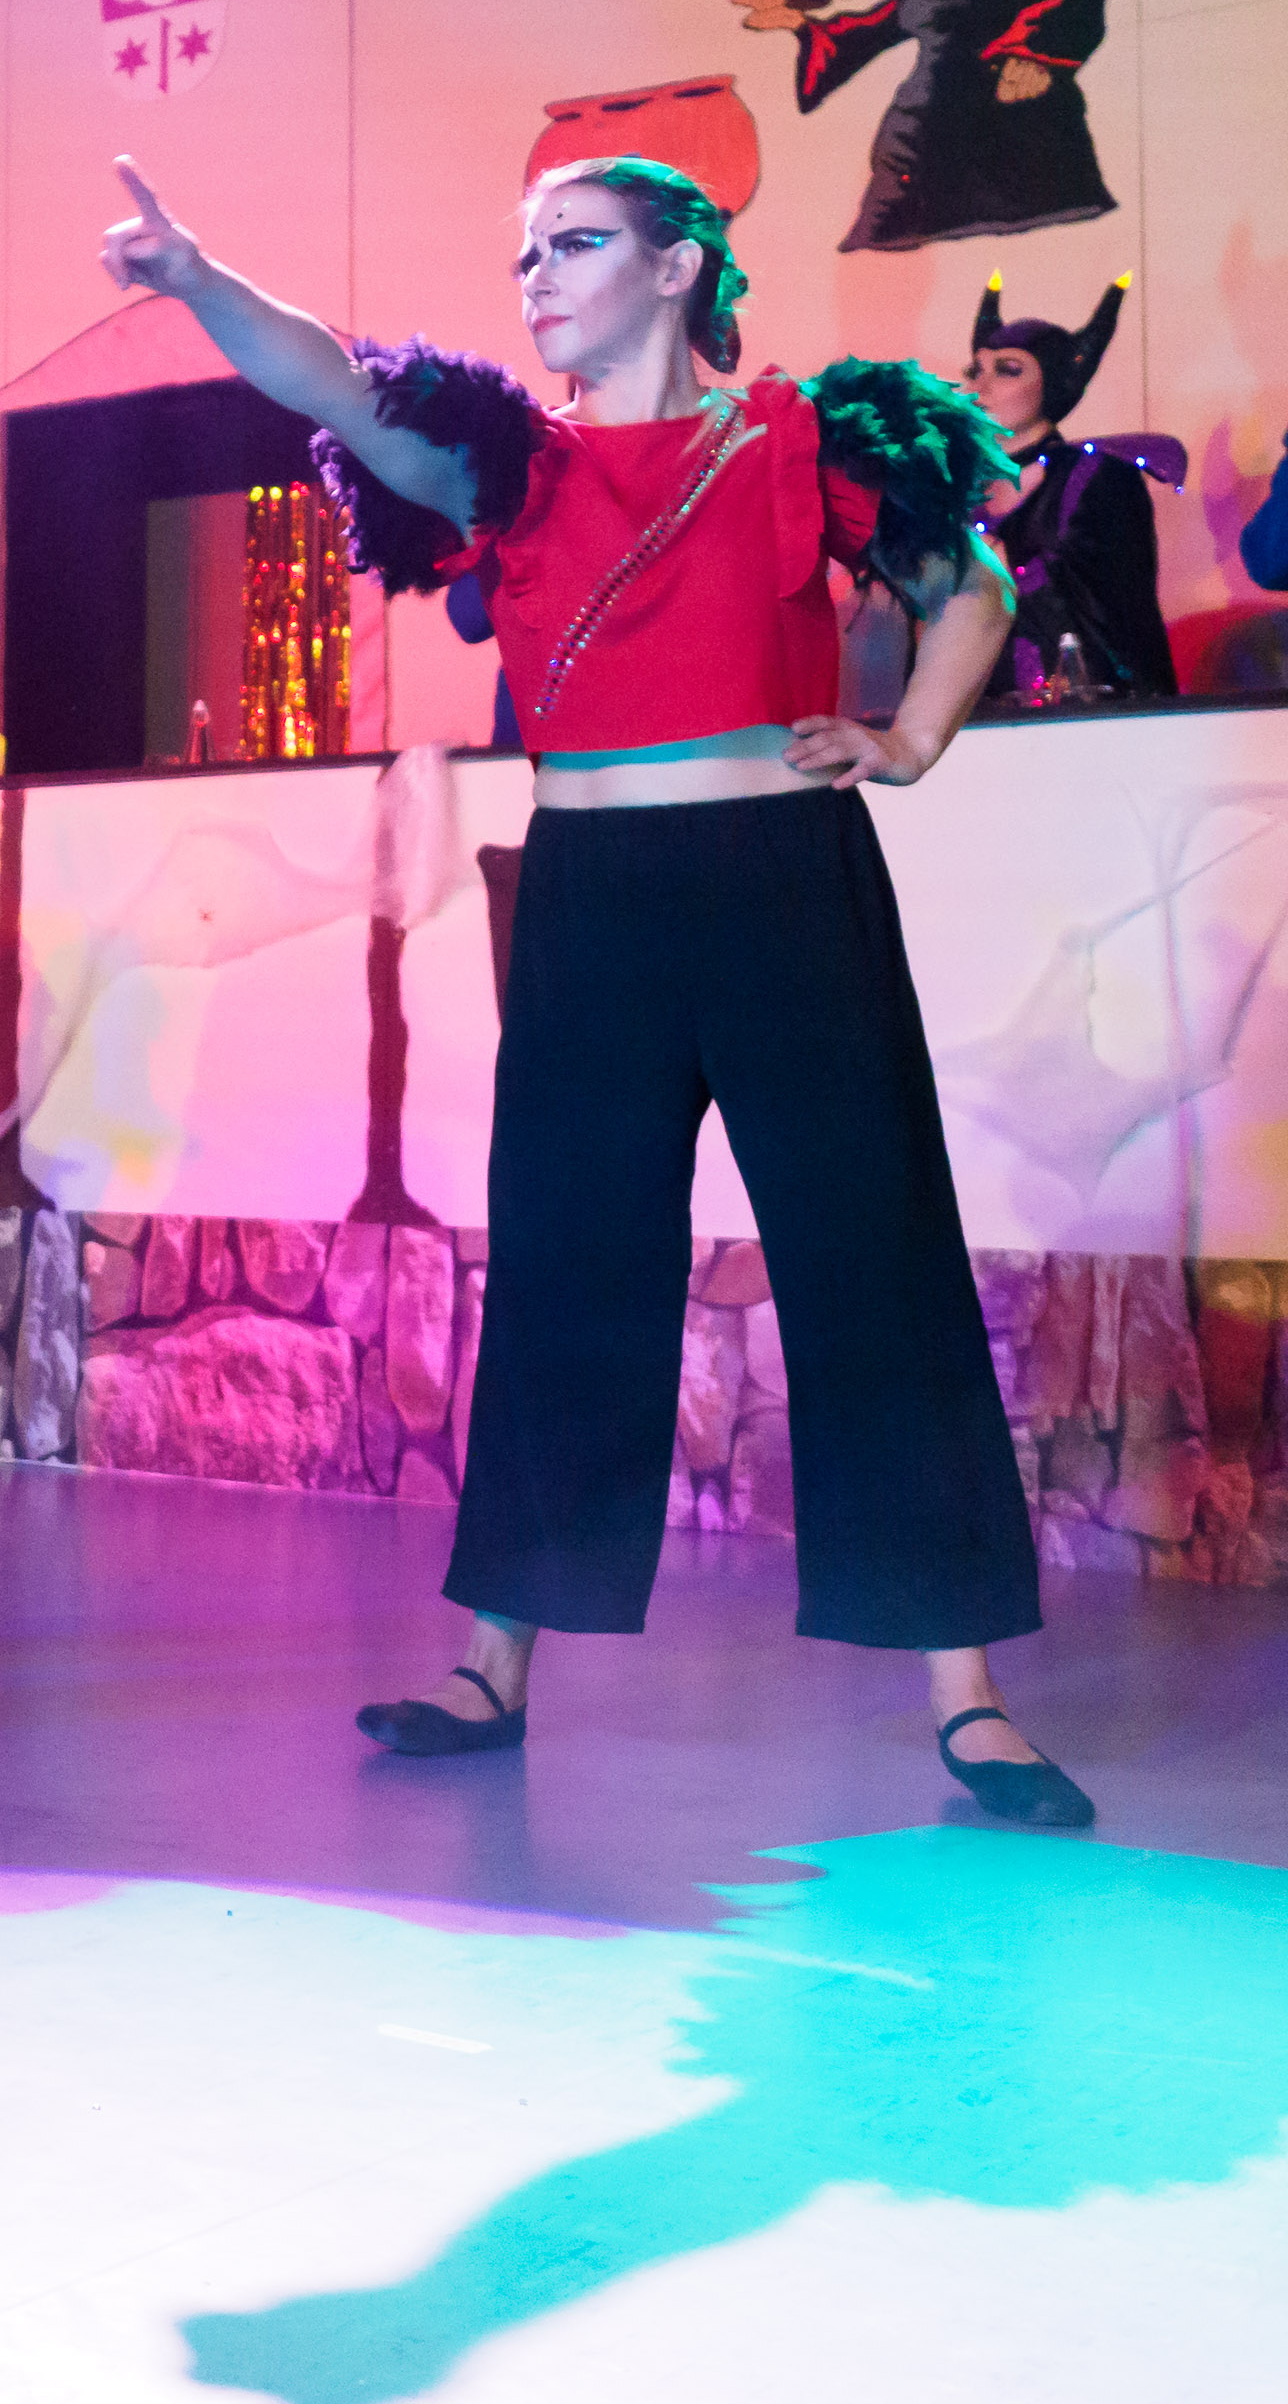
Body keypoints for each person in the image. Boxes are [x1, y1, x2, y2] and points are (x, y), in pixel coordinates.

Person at [101, 150, 1091, 1828]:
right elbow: (329, 378)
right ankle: (493, 1663)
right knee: (568, 1265)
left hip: (785, 882)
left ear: (681, 265)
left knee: (874, 1262)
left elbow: (976, 585)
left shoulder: (803, 437)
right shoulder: (514, 465)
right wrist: (198, 281)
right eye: (526, 254)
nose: (538, 277)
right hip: (588, 897)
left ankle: (969, 1698)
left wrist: (914, 738)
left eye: (574, 244)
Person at [966, 274, 1171, 705]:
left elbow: (1125, 612)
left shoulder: (1098, 475)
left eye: (1008, 370)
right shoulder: (958, 491)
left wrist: (1012, 569)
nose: (978, 387)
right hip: (975, 718)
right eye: (976, 370)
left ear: (1054, 384)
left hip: (1087, 712)